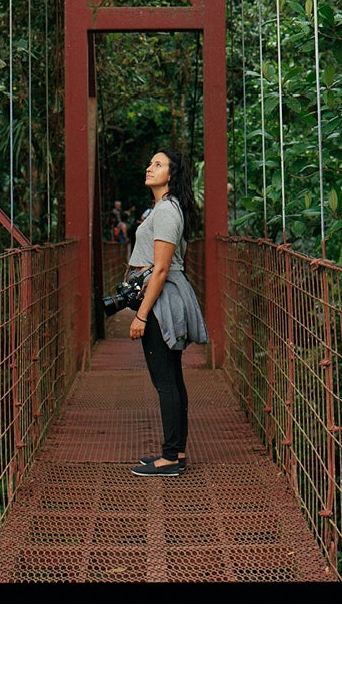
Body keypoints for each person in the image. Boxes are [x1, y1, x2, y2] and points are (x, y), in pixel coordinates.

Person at [127, 148, 209, 477]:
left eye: (158, 164)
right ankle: (175, 450)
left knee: (166, 382)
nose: (150, 167)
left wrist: (141, 315)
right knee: (172, 378)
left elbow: (160, 269)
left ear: (171, 175)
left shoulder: (166, 212)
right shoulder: (166, 207)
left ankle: (170, 458)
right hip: (164, 298)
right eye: (150, 162)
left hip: (161, 302)